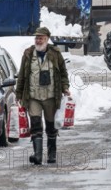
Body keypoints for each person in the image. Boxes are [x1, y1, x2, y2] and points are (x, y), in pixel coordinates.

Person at [15, 27, 71, 165]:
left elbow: (63, 73)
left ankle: (51, 155)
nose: (38, 40)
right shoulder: (28, 54)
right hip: (33, 96)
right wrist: (18, 93)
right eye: (36, 38)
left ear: (47, 39)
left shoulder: (55, 54)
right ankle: (38, 155)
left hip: (51, 96)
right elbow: (22, 74)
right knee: (35, 125)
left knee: (51, 126)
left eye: (41, 38)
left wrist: (65, 88)